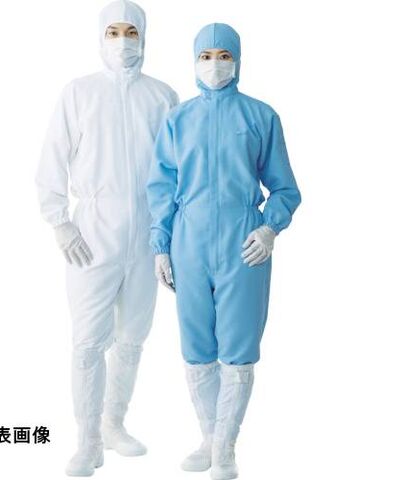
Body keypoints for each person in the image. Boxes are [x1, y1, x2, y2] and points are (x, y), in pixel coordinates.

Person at [146, 23, 301, 480]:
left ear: (238, 60)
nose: (215, 64)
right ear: (194, 62)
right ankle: (209, 438)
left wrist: (269, 228)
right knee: (197, 346)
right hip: (188, 242)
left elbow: (285, 188)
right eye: (206, 56)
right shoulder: (177, 119)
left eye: (223, 55)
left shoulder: (260, 116)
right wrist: (161, 245)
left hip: (242, 243)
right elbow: (162, 186)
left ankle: (226, 449)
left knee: (238, 346)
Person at [36, 1, 178, 476]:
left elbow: (178, 170)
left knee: (133, 338)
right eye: (113, 31)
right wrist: (60, 221)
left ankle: (114, 424)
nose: (123, 41)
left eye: (131, 31)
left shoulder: (163, 97)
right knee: (88, 342)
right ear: (101, 37)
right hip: (94, 236)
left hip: (147, 237)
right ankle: (88, 440)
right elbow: (52, 159)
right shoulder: (79, 93)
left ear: (144, 36)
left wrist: (170, 237)